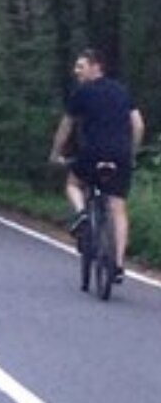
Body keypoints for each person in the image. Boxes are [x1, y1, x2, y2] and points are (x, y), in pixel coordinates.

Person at [49, 47, 145, 284]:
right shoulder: (121, 91)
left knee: (72, 183)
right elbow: (138, 124)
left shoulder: (82, 93)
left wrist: (56, 153)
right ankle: (119, 265)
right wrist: (131, 153)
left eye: (81, 66)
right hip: (120, 155)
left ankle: (82, 214)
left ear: (96, 66)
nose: (76, 71)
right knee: (118, 206)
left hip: (92, 153)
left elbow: (66, 127)